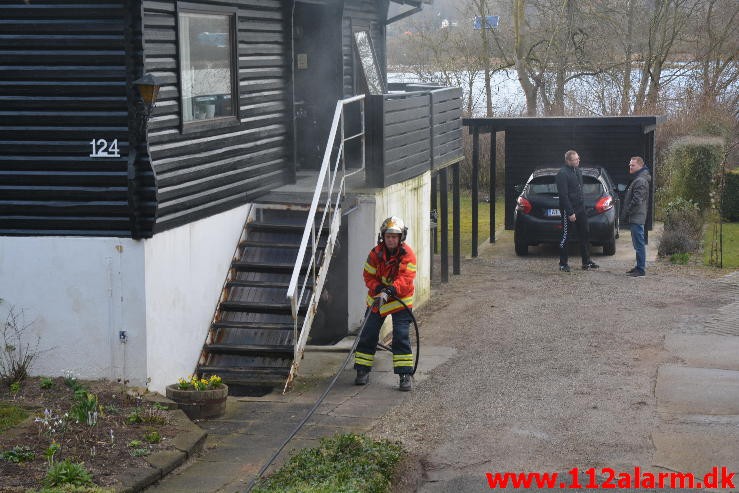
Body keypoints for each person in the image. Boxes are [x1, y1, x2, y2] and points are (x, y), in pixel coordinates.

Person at [355, 216, 417, 391]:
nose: (391, 239)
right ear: (383, 236)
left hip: (400, 301)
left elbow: (406, 279)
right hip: (378, 300)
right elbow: (368, 276)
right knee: (368, 333)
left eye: (394, 236)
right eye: (388, 236)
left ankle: (405, 375)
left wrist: (391, 290)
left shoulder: (408, 255)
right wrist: (378, 288)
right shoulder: (375, 254)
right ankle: (362, 370)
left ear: (400, 238)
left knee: (401, 336)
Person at [555, 150, 599, 272]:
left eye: (578, 158)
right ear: (568, 161)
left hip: (580, 209)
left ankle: (586, 262)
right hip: (568, 210)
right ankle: (563, 264)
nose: (578, 161)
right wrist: (570, 212)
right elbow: (563, 195)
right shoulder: (562, 174)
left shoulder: (578, 171)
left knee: (585, 233)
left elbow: (579, 191)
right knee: (565, 236)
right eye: (575, 159)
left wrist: (581, 207)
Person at [621, 156, 651, 277]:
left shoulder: (640, 180)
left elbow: (637, 200)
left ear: (640, 166)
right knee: (637, 243)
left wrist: (627, 211)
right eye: (630, 165)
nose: (630, 167)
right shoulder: (639, 178)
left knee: (639, 244)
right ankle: (638, 267)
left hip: (637, 217)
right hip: (636, 216)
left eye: (632, 165)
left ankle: (641, 269)